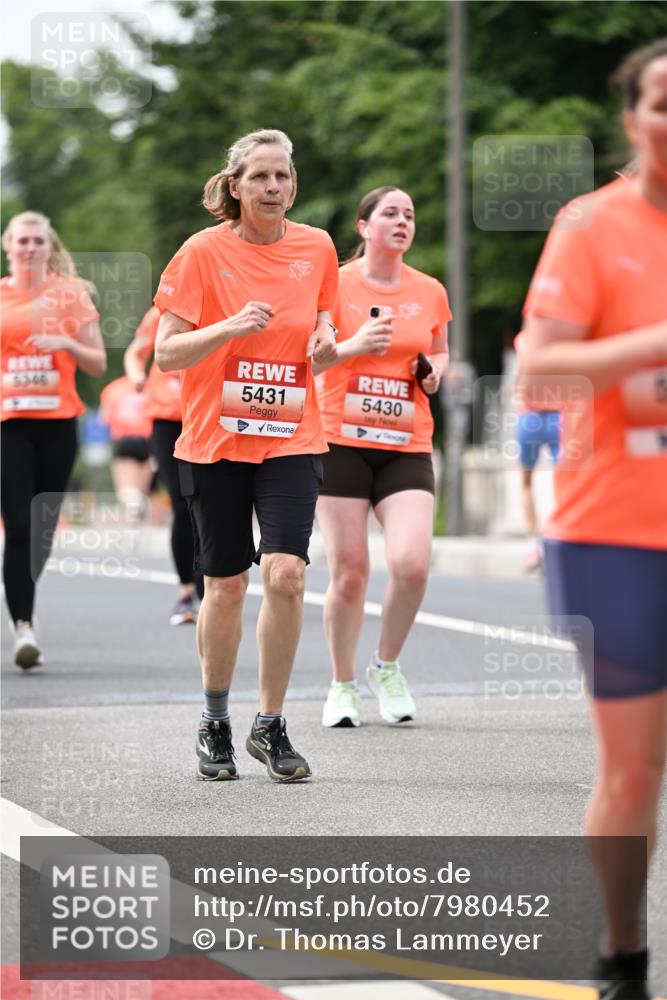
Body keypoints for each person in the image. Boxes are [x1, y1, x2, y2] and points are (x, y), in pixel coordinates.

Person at [520, 39, 667, 1000]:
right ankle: (623, 952)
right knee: (634, 769)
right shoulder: (591, 226)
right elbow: (539, 373)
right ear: (632, 119)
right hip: (615, 532)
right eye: (661, 101)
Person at [153, 129, 338, 782]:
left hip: (292, 435)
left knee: (285, 574)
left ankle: (269, 722)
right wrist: (228, 326)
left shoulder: (316, 247)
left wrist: (325, 335)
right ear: (234, 187)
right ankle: (213, 718)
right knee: (226, 585)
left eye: (283, 176)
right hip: (215, 440)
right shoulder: (202, 253)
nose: (274, 188)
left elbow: (324, 317)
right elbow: (165, 353)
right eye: (260, 177)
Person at [314, 186, 450, 728]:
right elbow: (312, 359)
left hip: (405, 441)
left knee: (412, 564)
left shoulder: (430, 290)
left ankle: (385, 666)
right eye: (390, 213)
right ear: (364, 225)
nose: (402, 222)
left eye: (410, 215)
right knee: (350, 572)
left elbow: (439, 349)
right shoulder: (336, 285)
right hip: (341, 439)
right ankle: (341, 683)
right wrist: (355, 345)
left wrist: (436, 371)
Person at [1, 211, 106, 667]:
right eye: (21, 241)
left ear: (49, 247)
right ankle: (23, 625)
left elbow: (99, 364)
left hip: (59, 423)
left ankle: (24, 600)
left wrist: (67, 346)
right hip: (9, 424)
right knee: (20, 525)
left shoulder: (71, 296)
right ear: (8, 247)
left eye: (36, 241)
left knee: (40, 530)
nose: (29, 248)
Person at [124, 306, 204, 625]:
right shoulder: (162, 313)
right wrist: (137, 377)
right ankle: (187, 592)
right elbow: (135, 352)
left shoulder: (228, 303)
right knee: (182, 501)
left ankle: (208, 582)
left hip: (208, 416)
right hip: (167, 420)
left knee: (207, 500)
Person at [513, 331, 561, 572]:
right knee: (565, 481)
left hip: (530, 416)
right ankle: (555, 537)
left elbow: (521, 377)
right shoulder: (563, 339)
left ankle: (534, 544)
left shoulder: (523, 340)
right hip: (558, 416)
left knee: (526, 481)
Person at [99, 374, 154, 523]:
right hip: (148, 441)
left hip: (125, 440)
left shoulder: (113, 389)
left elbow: (104, 419)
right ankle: (137, 516)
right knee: (142, 487)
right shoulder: (152, 386)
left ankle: (132, 518)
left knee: (127, 486)